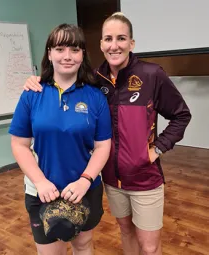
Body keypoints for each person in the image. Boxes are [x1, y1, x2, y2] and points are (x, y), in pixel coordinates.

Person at [23, 12, 191, 255]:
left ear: (131, 43)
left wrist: (157, 149)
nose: (115, 45)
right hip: (111, 178)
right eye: (108, 39)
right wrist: (38, 80)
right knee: (125, 231)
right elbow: (65, 79)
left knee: (150, 246)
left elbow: (181, 115)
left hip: (145, 177)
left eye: (121, 38)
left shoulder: (152, 75)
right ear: (100, 44)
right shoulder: (94, 80)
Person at [9, 23, 112, 255]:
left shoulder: (95, 96)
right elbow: (19, 144)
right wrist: (40, 182)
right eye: (60, 49)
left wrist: (85, 180)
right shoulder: (32, 94)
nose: (67, 56)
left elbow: (103, 145)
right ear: (49, 53)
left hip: (84, 189)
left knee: (83, 245)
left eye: (75, 50)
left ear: (83, 54)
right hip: (42, 191)